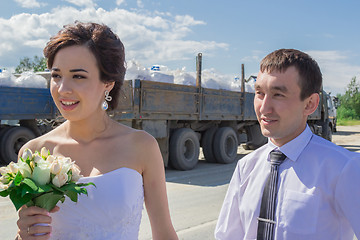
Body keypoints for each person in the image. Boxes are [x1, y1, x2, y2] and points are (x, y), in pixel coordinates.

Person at [15, 21, 178, 240]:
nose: (63, 89)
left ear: (108, 82)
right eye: (56, 76)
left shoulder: (141, 146)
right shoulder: (34, 152)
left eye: (78, 76)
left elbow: (165, 234)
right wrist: (22, 235)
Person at [214, 49, 360, 239]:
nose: (264, 108)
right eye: (259, 93)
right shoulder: (246, 167)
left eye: (278, 95)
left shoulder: (344, 168)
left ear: (310, 104)